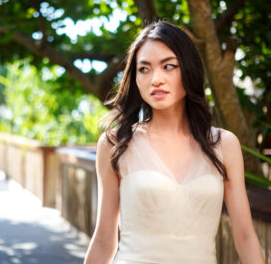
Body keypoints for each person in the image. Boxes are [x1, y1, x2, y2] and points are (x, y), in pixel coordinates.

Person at [84, 20, 265, 264]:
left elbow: (245, 237)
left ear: (188, 69)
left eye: (168, 66)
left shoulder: (223, 144)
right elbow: (105, 238)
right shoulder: (116, 143)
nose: (155, 79)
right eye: (144, 69)